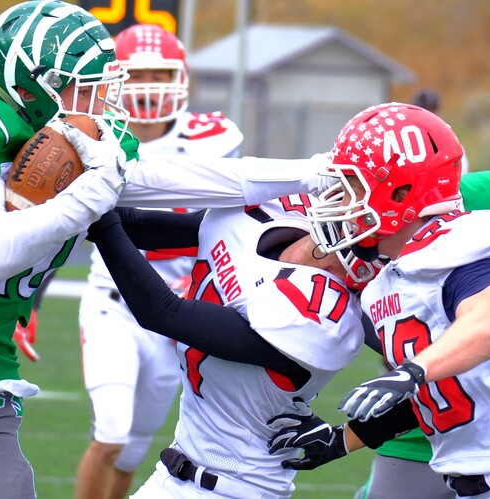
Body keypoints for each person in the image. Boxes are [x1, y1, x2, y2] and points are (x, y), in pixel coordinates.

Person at [0, 1, 337, 496]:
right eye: (82, 85)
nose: (101, 100)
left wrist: (317, 172)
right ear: (30, 89)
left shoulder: (77, 150)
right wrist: (94, 192)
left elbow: (189, 180)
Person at [267, 101, 490, 497]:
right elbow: (442, 391)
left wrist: (411, 371)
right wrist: (342, 440)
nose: (340, 200)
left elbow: (489, 323)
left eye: (353, 186)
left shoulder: (463, 245)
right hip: (475, 479)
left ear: (401, 191)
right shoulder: (391, 274)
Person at [83, 178, 380, 497]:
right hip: (174, 473)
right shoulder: (276, 208)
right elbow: (136, 227)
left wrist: (94, 209)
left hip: (235, 489)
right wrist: (80, 187)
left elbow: (161, 312)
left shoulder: (325, 316)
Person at [74, 24, 243, 499]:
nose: (149, 85)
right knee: (109, 435)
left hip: (175, 317)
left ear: (182, 79)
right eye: (138, 73)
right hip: (112, 306)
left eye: (160, 73)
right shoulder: (91, 135)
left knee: (132, 451)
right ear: (113, 80)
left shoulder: (212, 138)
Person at [412, 87, 469, 174]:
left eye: (432, 111)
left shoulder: (446, 137)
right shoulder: (409, 138)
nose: (428, 115)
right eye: (424, 110)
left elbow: (461, 170)